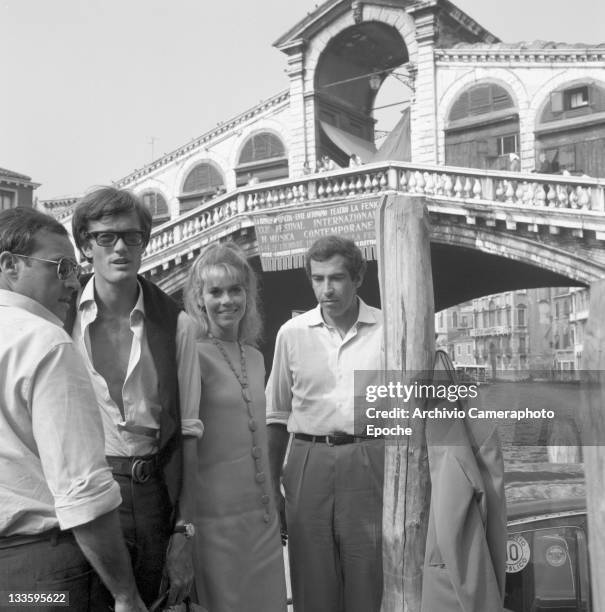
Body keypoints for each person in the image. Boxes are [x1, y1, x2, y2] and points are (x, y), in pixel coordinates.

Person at [0, 207, 146, 612]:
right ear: (10, 265)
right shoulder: (45, 342)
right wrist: (125, 594)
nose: (73, 280)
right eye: (60, 267)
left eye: (73, 268)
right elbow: (82, 491)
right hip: (40, 573)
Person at [65, 187, 204, 608]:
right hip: (80, 487)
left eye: (132, 236)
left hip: (150, 492)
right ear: (86, 245)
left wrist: (185, 531)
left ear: (146, 242)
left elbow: (189, 434)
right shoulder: (60, 316)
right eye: (106, 237)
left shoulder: (178, 324)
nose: (120, 247)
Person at [266, 235, 384, 612]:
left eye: (336, 278)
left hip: (369, 455)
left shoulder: (389, 328)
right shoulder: (292, 334)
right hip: (307, 459)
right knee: (311, 577)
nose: (326, 289)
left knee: (369, 573)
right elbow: (276, 416)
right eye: (318, 279)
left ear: (358, 279)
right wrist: (272, 488)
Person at [184, 242, 287, 612]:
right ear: (199, 299)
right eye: (215, 292)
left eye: (235, 290)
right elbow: (183, 442)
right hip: (215, 523)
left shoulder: (257, 357)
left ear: (248, 295)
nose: (227, 300)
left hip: (262, 519)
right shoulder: (191, 354)